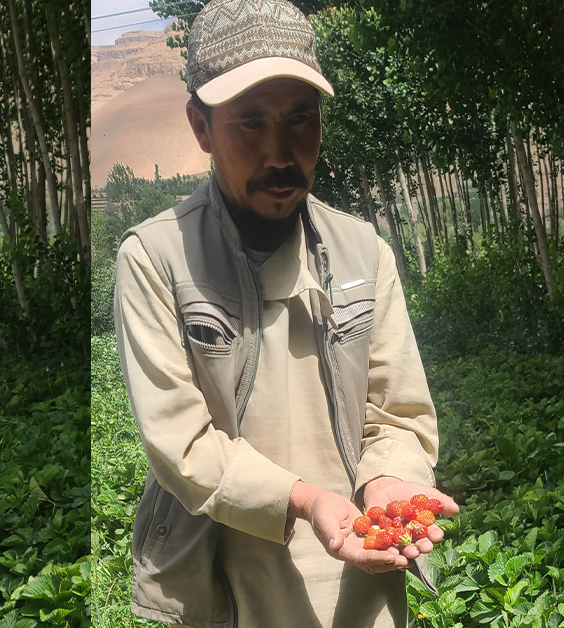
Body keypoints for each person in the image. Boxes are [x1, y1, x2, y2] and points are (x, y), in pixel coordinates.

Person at [113, 0, 460, 626]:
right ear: (199, 126)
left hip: (358, 575)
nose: (280, 152)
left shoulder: (363, 252)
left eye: (301, 119)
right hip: (216, 584)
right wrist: (302, 500)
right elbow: (180, 444)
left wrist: (391, 483)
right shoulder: (155, 258)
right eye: (250, 123)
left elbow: (399, 413)